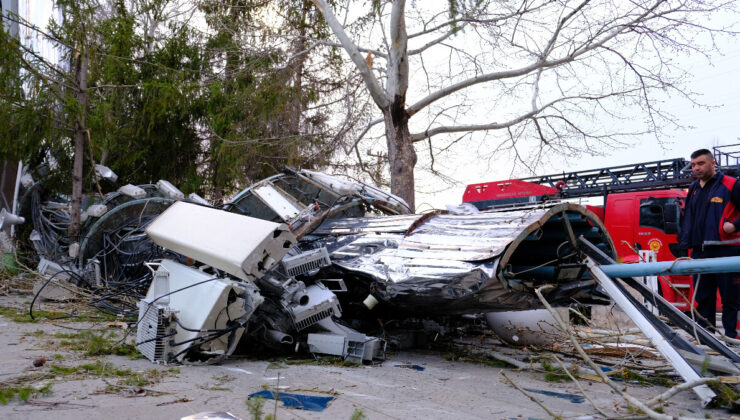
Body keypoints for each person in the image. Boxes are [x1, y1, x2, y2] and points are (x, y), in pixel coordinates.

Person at [678, 148, 740, 338]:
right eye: (694, 164)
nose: (696, 168)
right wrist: (684, 242)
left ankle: (733, 341)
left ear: (713, 163)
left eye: (701, 163)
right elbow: (688, 217)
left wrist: (735, 226)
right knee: (703, 299)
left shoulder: (731, 185)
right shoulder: (694, 189)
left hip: (727, 252)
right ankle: (708, 341)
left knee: (732, 299)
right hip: (699, 252)